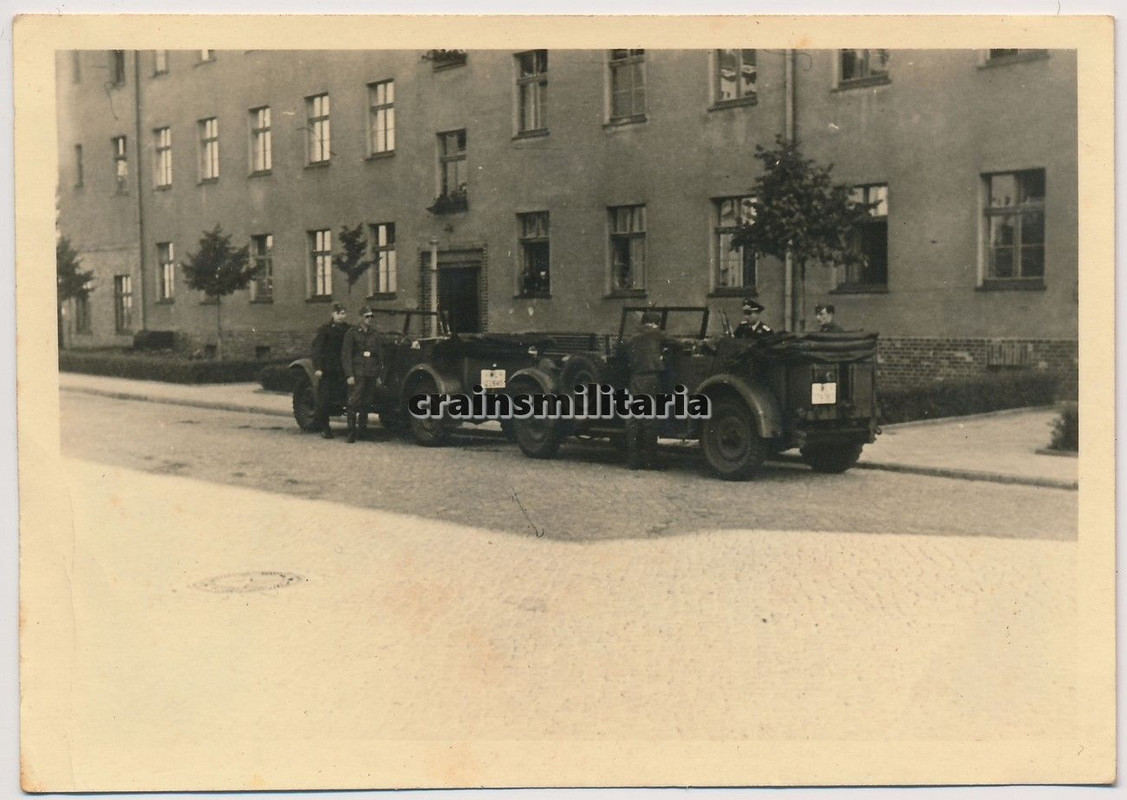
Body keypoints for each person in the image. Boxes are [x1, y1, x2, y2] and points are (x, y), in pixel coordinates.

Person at [624, 310, 666, 471]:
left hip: (635, 378)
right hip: (651, 378)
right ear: (655, 323)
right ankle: (650, 460)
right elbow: (677, 343)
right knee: (650, 419)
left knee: (634, 419)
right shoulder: (655, 333)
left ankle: (633, 460)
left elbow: (623, 351)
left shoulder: (633, 337)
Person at [340, 306, 383, 443]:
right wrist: (349, 375)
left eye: (371, 316)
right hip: (357, 372)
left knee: (367, 401)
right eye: (367, 316)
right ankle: (351, 432)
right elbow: (346, 355)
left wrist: (379, 374)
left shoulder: (374, 334)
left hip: (370, 372)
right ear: (360, 318)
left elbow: (379, 356)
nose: (369, 319)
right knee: (354, 401)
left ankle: (363, 431)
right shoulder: (352, 333)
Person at [311, 303, 350, 439]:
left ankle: (351, 429)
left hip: (344, 369)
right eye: (338, 313)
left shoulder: (349, 330)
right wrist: (318, 367)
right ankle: (325, 427)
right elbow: (317, 349)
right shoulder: (325, 330)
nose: (341, 316)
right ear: (333, 314)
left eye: (343, 313)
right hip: (329, 369)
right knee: (325, 399)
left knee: (347, 398)